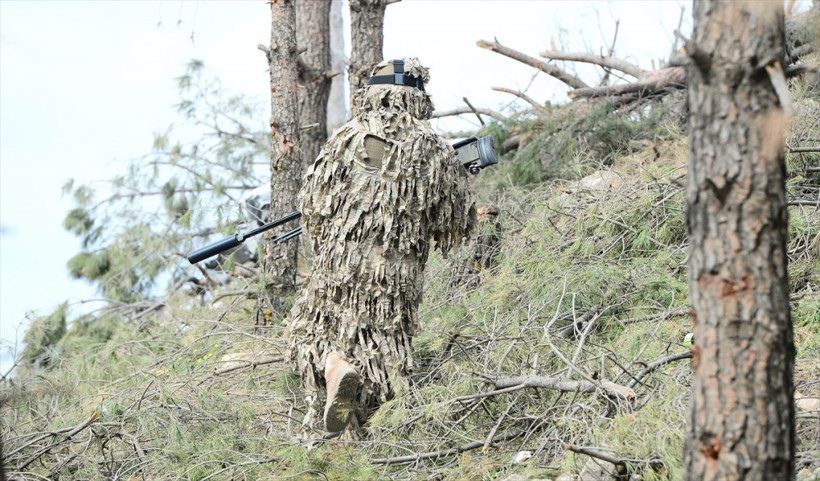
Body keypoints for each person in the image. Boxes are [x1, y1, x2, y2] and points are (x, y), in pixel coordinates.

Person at [286, 58, 476, 438]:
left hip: (338, 266)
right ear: (417, 98)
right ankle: (378, 434)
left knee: (312, 330)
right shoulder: (434, 148)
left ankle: (334, 369)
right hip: (394, 277)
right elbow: (454, 227)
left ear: (373, 94)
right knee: (385, 354)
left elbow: (312, 203)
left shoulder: (346, 137)